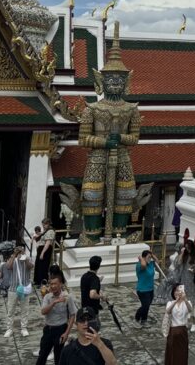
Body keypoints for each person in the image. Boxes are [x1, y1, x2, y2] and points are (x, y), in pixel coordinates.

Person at [76, 23, 141, 244]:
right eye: (110, 79)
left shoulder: (131, 110)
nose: (115, 83)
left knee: (125, 195)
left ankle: (118, 233)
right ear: (101, 82)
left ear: (126, 83)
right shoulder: (92, 109)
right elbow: (82, 139)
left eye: (119, 80)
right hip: (97, 158)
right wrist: (103, 142)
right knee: (92, 196)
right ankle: (93, 235)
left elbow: (135, 138)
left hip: (122, 157)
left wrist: (121, 138)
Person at [37, 273, 78, 365]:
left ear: (61, 284)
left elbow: (72, 315)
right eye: (51, 284)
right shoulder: (47, 297)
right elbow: (43, 312)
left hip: (60, 330)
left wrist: (67, 333)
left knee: (59, 358)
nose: (53, 286)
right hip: (48, 330)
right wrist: (54, 302)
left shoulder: (67, 297)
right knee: (42, 356)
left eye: (55, 284)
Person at [0, 243, 33, 338]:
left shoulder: (28, 258)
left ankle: (24, 328)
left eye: (21, 248)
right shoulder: (12, 259)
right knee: (11, 309)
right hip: (13, 288)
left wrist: (24, 257)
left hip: (24, 288)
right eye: (18, 249)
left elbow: (30, 267)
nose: (19, 250)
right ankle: (9, 328)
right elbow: (8, 267)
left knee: (24, 309)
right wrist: (14, 255)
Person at [163, 284, 192, 365]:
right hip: (172, 331)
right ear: (173, 292)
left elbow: (190, 310)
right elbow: (168, 311)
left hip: (182, 331)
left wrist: (185, 299)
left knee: (182, 354)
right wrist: (176, 301)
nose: (178, 292)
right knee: (172, 353)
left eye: (180, 290)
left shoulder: (187, 303)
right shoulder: (170, 303)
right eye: (176, 290)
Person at [135, 250, 156, 327]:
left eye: (151, 257)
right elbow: (143, 265)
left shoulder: (151, 264)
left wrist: (152, 255)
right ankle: (141, 318)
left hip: (150, 289)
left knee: (147, 305)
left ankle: (142, 318)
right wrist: (141, 258)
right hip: (142, 290)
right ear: (144, 257)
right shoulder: (139, 265)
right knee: (145, 305)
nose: (150, 259)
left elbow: (158, 261)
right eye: (148, 257)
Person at [36, 218, 56, 286]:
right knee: (39, 266)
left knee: (43, 267)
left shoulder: (50, 231)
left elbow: (48, 243)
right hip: (41, 249)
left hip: (45, 250)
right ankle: (38, 281)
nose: (43, 226)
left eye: (44, 224)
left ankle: (43, 282)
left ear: (48, 224)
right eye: (43, 224)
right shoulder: (46, 231)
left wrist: (42, 253)